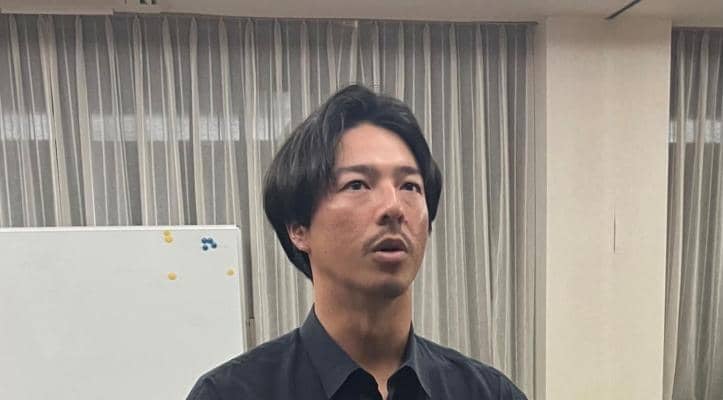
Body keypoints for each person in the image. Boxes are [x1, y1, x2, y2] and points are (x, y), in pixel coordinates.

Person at [187, 84, 527, 400]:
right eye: (357, 185)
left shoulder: (488, 393)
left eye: (410, 186)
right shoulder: (230, 393)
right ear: (298, 228)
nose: (393, 207)